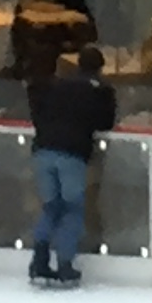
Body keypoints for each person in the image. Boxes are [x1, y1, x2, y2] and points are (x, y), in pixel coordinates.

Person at [26, 43, 119, 288]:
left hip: (44, 150)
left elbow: (38, 108)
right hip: (72, 154)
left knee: (50, 207)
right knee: (71, 208)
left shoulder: (57, 85)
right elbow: (106, 122)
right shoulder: (99, 91)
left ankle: (40, 259)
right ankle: (65, 263)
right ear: (99, 68)